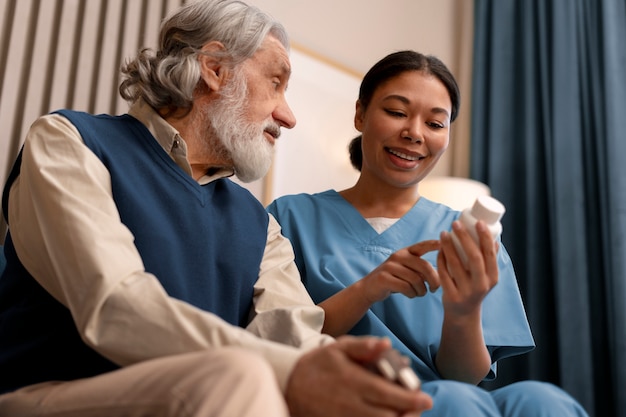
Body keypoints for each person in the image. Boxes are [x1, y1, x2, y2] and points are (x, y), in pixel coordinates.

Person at [0, 2, 434, 416]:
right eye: (276, 83)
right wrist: (298, 373)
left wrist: (363, 379)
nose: (288, 116)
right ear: (214, 69)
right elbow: (115, 306)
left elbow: (294, 335)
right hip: (48, 392)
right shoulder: (69, 141)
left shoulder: (257, 222)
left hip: (203, 396)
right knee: (240, 376)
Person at [267, 50, 589, 416]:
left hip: (453, 399)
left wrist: (464, 312)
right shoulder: (288, 218)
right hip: (348, 399)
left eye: (435, 124)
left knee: (541, 400)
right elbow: (276, 337)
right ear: (360, 114)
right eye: (396, 112)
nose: (414, 133)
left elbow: (465, 378)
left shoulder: (471, 240)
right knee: (454, 403)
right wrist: (367, 290)